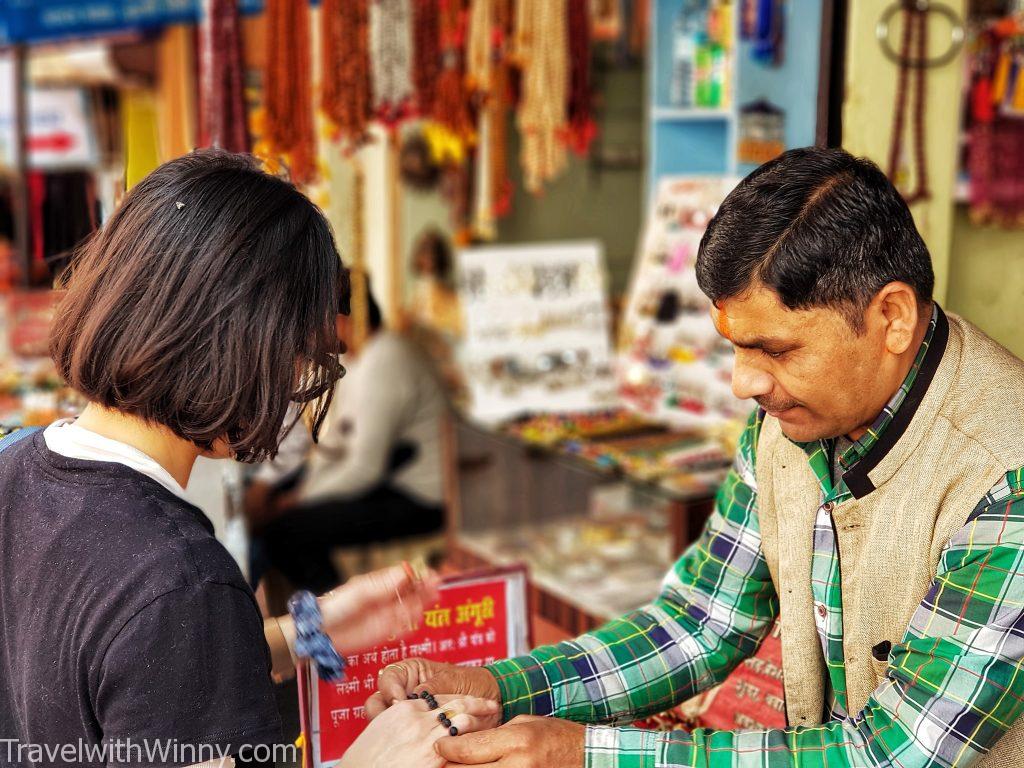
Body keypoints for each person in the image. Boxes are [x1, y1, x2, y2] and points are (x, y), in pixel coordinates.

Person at [370, 147, 1024, 767]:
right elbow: (701, 623)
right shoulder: (787, 423)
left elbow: (892, 753)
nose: (746, 383)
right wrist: (496, 687)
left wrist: (585, 753)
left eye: (777, 350)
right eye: (735, 349)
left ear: (892, 318)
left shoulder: (1005, 475)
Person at [0, 150, 491, 768]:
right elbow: (159, 640)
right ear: (247, 342)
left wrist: (312, 632)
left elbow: (132, 672)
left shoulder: (14, 465)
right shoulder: (177, 577)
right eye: (297, 346)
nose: (297, 375)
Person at [250, 284, 448, 594]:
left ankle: (337, 610)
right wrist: (293, 492)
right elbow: (337, 446)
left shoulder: (387, 358)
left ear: (341, 318)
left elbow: (364, 469)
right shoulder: (360, 359)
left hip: (420, 496)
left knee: (286, 533)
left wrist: (292, 503)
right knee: (284, 493)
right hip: (386, 478)